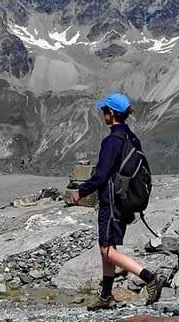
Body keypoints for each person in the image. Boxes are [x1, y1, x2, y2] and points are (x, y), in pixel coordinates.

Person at [67, 92, 164, 309]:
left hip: (111, 203)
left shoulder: (112, 141)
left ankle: (149, 278)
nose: (103, 115)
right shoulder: (131, 137)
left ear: (111, 113)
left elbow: (101, 175)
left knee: (107, 251)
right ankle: (106, 296)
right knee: (108, 247)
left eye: (104, 111)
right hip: (124, 201)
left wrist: (80, 192)